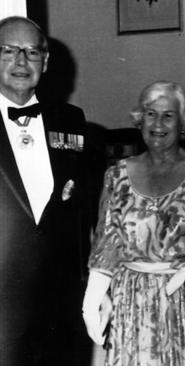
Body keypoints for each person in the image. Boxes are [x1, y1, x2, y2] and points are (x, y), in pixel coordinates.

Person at [82, 81, 185, 365]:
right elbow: (108, 242)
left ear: (183, 122)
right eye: (150, 114)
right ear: (140, 119)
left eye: (168, 115)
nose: (158, 123)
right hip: (129, 304)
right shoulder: (117, 174)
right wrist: (93, 298)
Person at [0, 16, 91, 365]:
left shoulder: (71, 120)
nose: (21, 62)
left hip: (59, 305)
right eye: (9, 50)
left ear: (46, 61)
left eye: (31, 52)